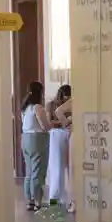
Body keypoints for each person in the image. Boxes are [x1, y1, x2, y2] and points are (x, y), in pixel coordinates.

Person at [21, 80, 51, 211]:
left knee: (29, 172)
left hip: (25, 139)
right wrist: (53, 123)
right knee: (37, 171)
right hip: (37, 140)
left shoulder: (25, 108)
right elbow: (45, 126)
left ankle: (30, 201)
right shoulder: (38, 108)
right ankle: (38, 201)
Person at [47, 84, 72, 205]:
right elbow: (49, 122)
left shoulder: (53, 105)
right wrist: (66, 122)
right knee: (58, 167)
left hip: (63, 133)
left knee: (65, 166)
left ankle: (64, 198)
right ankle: (55, 198)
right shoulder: (52, 105)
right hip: (59, 134)